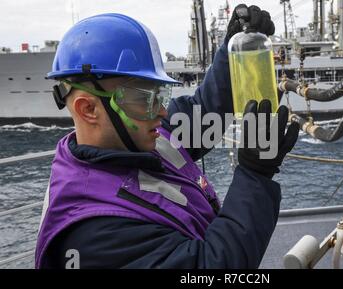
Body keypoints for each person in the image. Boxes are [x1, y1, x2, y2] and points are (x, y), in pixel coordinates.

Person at [35, 5, 300, 269]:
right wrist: (255, 174)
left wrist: (233, 50)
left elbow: (202, 112)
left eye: (160, 95)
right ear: (88, 109)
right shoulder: (95, 232)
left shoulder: (135, 139)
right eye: (144, 98)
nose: (161, 112)